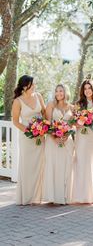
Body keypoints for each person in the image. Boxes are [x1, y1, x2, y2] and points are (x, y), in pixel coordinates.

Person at [12, 75, 46, 205]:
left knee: (40, 164)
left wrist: (43, 127)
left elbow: (44, 113)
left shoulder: (38, 96)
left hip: (40, 136)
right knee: (27, 165)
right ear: (25, 86)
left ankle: (38, 196)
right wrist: (30, 131)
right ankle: (26, 197)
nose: (34, 86)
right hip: (27, 137)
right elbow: (15, 121)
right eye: (32, 84)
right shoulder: (18, 101)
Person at [72, 79, 93, 204]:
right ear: (82, 91)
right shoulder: (79, 104)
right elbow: (73, 122)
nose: (87, 91)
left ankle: (90, 195)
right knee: (81, 163)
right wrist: (79, 123)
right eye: (85, 89)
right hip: (82, 136)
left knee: (91, 164)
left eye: (89, 88)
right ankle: (80, 195)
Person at [43, 84, 74, 204]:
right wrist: (54, 137)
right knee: (53, 166)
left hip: (67, 141)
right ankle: (53, 197)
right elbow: (47, 124)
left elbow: (72, 125)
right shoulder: (51, 105)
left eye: (61, 91)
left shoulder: (72, 107)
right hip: (52, 140)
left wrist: (66, 135)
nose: (58, 93)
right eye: (56, 91)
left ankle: (64, 196)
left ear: (66, 92)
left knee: (66, 167)